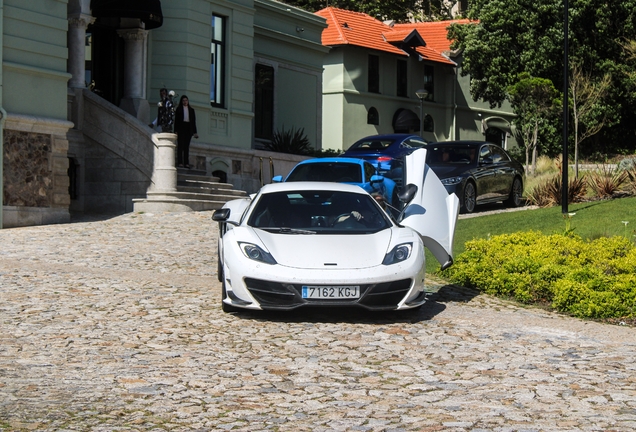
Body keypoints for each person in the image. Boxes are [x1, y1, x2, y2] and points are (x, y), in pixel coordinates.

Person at [174, 95, 199, 168]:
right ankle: (180, 162)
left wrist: (195, 132)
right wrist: (175, 131)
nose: (185, 102)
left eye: (186, 100)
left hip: (188, 128)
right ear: (181, 102)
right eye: (183, 100)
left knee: (186, 147)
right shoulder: (179, 109)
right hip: (181, 128)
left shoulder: (191, 110)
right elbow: (176, 121)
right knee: (180, 146)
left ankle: (186, 163)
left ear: (188, 101)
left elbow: (193, 122)